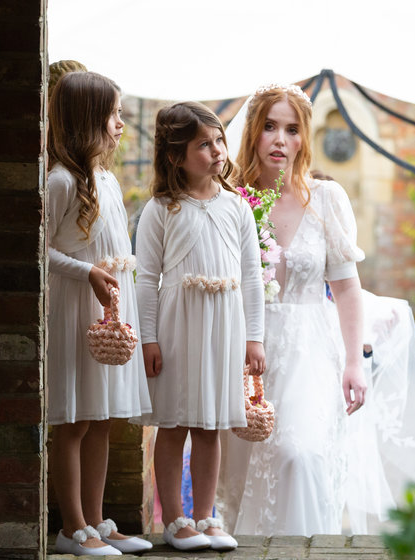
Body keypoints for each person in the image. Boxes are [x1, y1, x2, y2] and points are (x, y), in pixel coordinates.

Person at [217, 84, 415, 537]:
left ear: (304, 138)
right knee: (246, 480)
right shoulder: (229, 200)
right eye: (270, 127)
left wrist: (354, 361)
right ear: (253, 134)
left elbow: (348, 288)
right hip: (242, 352)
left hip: (309, 351)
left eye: (292, 129)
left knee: (302, 457)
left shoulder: (325, 200)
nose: (281, 139)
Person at [134, 102, 266, 552]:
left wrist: (254, 338)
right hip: (177, 326)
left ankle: (208, 516)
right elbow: (147, 277)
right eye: (203, 144)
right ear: (175, 156)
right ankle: (175, 520)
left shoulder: (237, 208)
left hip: (223, 326)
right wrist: (148, 337)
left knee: (211, 426)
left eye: (219, 141)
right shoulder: (161, 209)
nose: (217, 151)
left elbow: (251, 276)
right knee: (173, 423)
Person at [45, 71, 153, 556]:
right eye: (114, 115)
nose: (121, 125)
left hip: (107, 309)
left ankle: (96, 520)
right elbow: (39, 252)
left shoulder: (105, 178)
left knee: (101, 417)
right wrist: (86, 272)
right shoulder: (60, 181)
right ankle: (71, 528)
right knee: (73, 421)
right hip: (74, 310)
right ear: (89, 120)